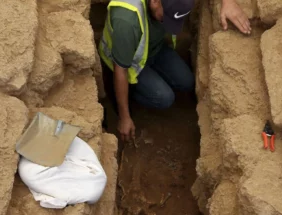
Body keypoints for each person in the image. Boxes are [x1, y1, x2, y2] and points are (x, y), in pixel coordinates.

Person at [99, 0, 251, 142]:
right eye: (166, 18)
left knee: (187, 81)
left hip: (153, 48)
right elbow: (121, 70)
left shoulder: (159, 9)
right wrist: (124, 117)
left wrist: (228, 2)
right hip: (129, 62)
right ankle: (129, 94)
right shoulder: (126, 20)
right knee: (164, 98)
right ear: (155, 2)